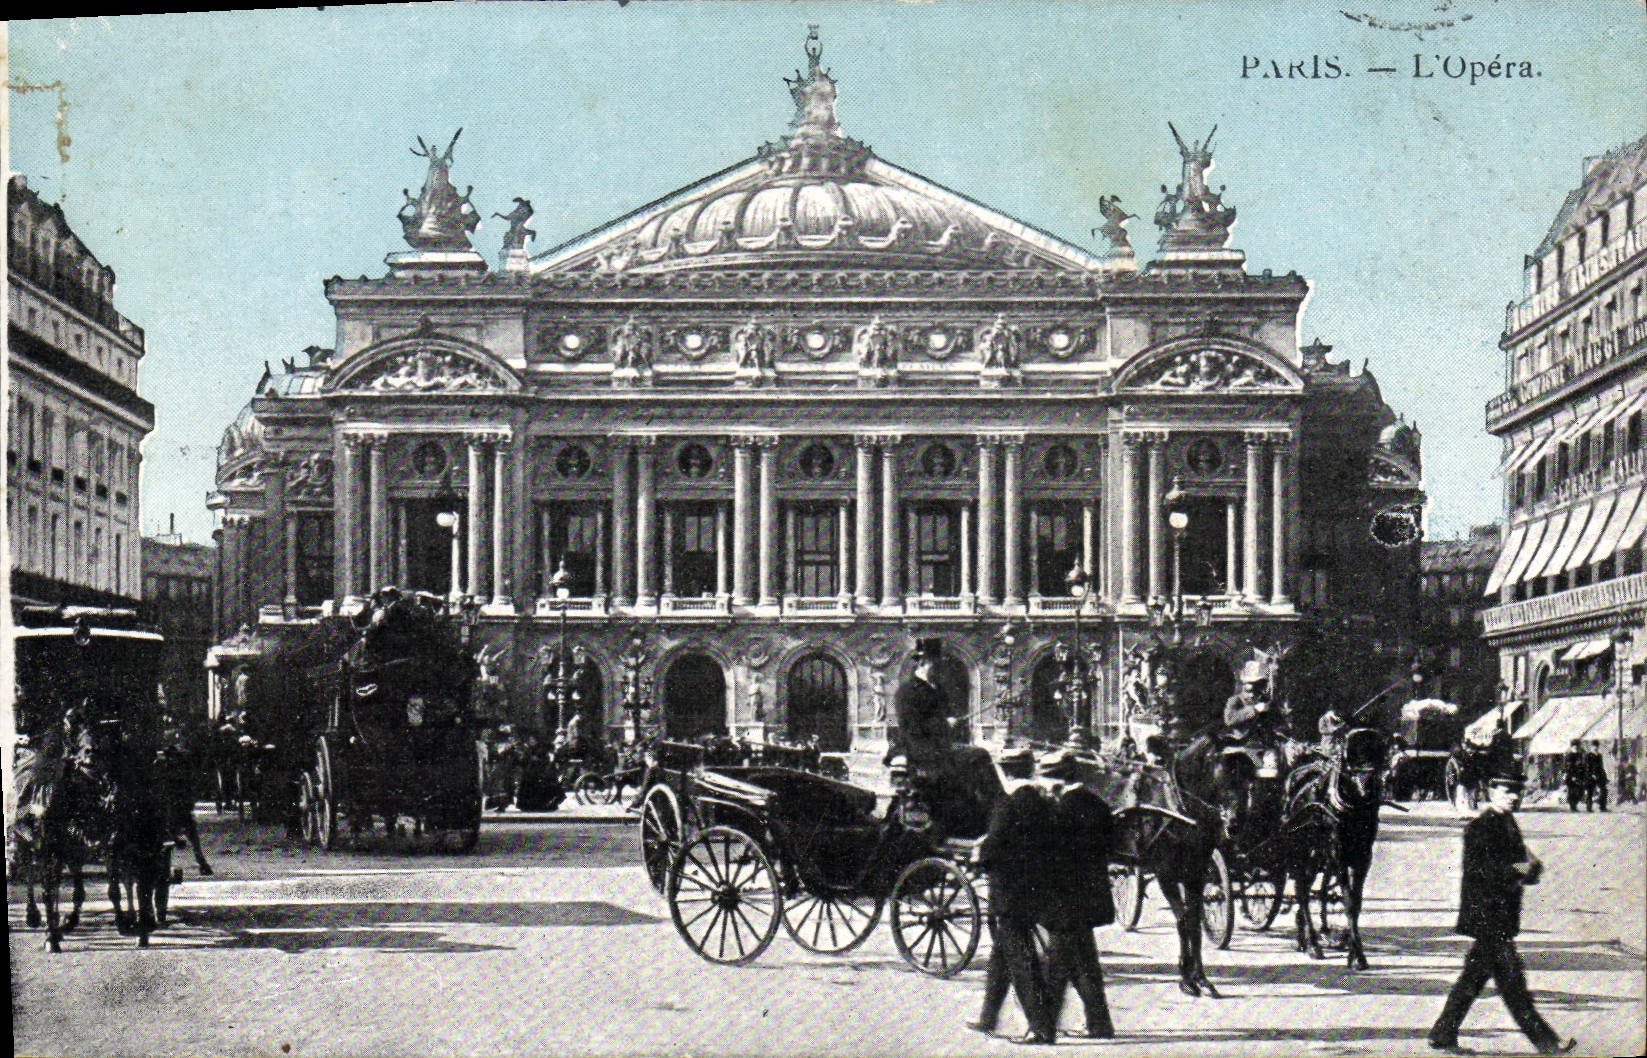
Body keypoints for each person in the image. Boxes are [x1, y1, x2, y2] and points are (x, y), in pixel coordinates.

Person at [1428, 766, 1576, 1056]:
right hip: (1487, 915)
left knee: (1473, 979)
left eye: (1517, 791)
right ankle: (1546, 1043)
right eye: (1507, 791)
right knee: (1513, 985)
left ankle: (1443, 1032)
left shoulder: (1507, 822)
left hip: (1501, 914)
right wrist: (1524, 869)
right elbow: (1484, 871)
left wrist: (1530, 868)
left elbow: (1525, 863)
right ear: (1491, 792)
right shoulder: (1480, 827)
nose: (1514, 796)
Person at [1037, 749, 1117, 1040]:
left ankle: (1043, 1027)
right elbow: (1111, 844)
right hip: (1091, 898)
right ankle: (1099, 1024)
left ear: (1055, 780)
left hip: (1063, 900)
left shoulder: (1058, 810)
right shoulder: (1098, 805)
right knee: (1084, 963)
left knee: (1057, 967)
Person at [971, 784, 1057, 1045]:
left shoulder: (1005, 806)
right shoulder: (1045, 804)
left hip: (1008, 894)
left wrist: (979, 858)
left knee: (1021, 958)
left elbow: (994, 845)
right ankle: (988, 1016)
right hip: (1035, 889)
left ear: (1007, 773)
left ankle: (1040, 1026)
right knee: (1002, 954)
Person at [894, 638, 1001, 838]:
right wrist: (944, 724)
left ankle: (993, 811)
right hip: (921, 751)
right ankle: (999, 809)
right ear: (923, 662)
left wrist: (950, 725)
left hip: (940, 749)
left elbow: (946, 718)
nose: (941, 668)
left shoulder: (938, 689)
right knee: (978, 756)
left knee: (977, 756)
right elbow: (911, 729)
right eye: (937, 663)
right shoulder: (907, 691)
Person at [1562, 740, 1589, 812]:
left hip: (1579, 776)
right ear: (1571, 747)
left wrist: (1584, 774)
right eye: (1574, 747)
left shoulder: (1580, 755)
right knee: (1572, 791)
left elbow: (1583, 765)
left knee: (1580, 791)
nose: (1575, 748)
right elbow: (1566, 767)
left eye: (1577, 746)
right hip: (1570, 776)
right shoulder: (1568, 756)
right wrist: (1569, 775)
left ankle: (1575, 804)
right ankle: (1572, 806)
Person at [1585, 742, 1609, 812]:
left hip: (1599, 775)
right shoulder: (1588, 756)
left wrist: (1604, 776)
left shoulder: (1599, 755)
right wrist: (1591, 774)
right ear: (1591, 747)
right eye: (1594, 746)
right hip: (1590, 776)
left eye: (1596, 747)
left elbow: (1601, 766)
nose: (1595, 748)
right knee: (1590, 791)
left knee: (1603, 790)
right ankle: (1589, 807)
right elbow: (1587, 767)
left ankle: (1602, 806)